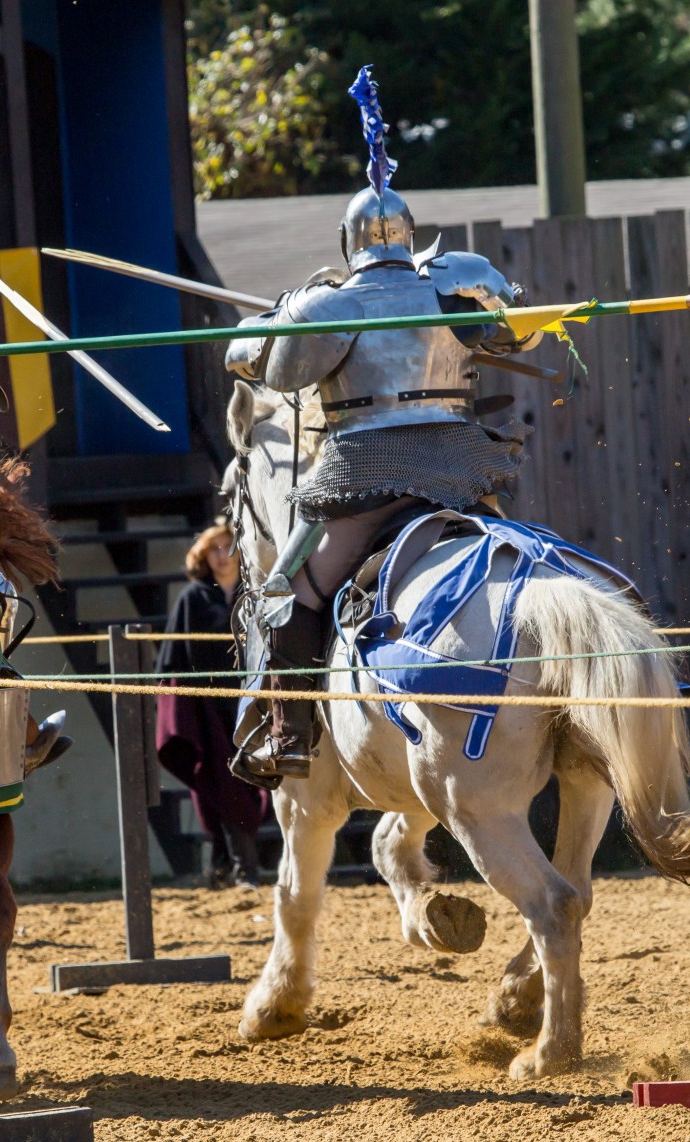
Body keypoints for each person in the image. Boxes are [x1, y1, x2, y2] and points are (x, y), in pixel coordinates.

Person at [224, 67, 546, 787]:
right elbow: (519, 334)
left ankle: (291, 735)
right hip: (462, 468)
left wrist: (277, 314)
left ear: (348, 242)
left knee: (285, 596)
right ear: (408, 235)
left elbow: (264, 369)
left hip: (363, 475)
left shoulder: (329, 304)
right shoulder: (457, 282)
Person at [155, 522, 269, 887]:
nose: (223, 554)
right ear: (203, 556)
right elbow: (172, 659)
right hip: (208, 708)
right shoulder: (192, 597)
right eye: (214, 548)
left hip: (250, 702)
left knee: (250, 785)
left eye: (227, 546)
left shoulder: (254, 595)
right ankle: (239, 869)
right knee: (218, 784)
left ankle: (229, 867)